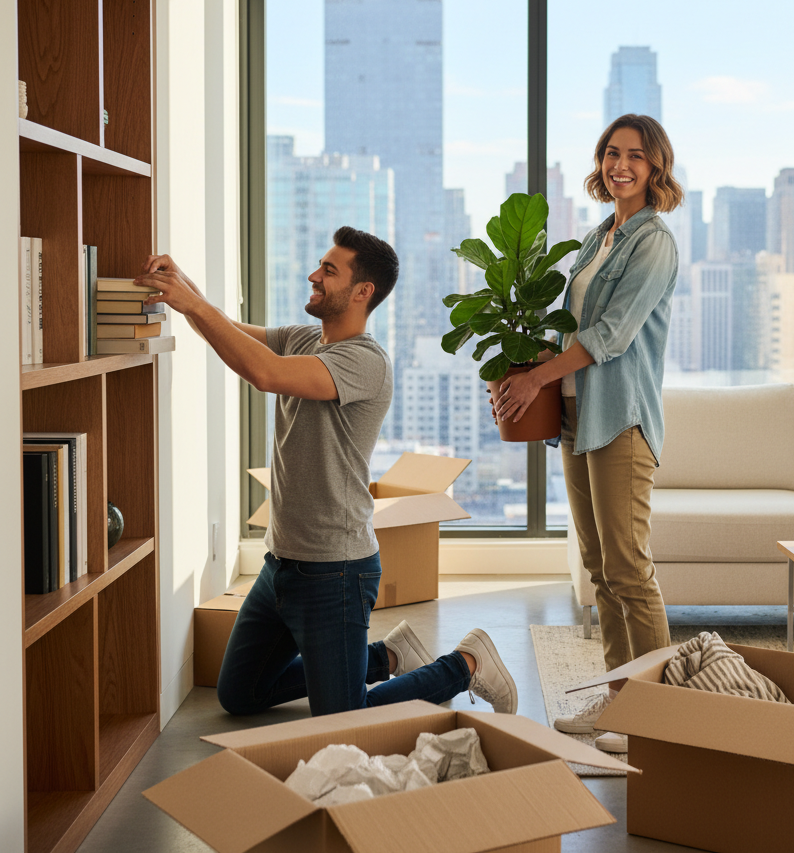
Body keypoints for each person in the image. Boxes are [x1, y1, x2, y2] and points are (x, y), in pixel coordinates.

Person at [134, 226, 517, 718]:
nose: (313, 275)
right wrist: (181, 282)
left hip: (335, 570)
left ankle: (465, 664)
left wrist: (190, 301)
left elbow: (265, 373)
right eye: (319, 265)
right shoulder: (303, 338)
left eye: (328, 271)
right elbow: (223, 330)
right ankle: (388, 656)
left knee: (342, 718)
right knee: (239, 695)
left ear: (362, 292)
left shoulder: (365, 361)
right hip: (281, 564)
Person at [493, 114, 682, 753]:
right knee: (600, 569)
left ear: (655, 168)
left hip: (620, 419)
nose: (620, 165)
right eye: (611, 153)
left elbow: (611, 335)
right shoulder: (600, 236)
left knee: (629, 569)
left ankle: (653, 713)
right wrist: (520, 374)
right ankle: (619, 700)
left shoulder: (653, 241)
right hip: (576, 417)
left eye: (635, 156)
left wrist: (536, 378)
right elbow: (569, 330)